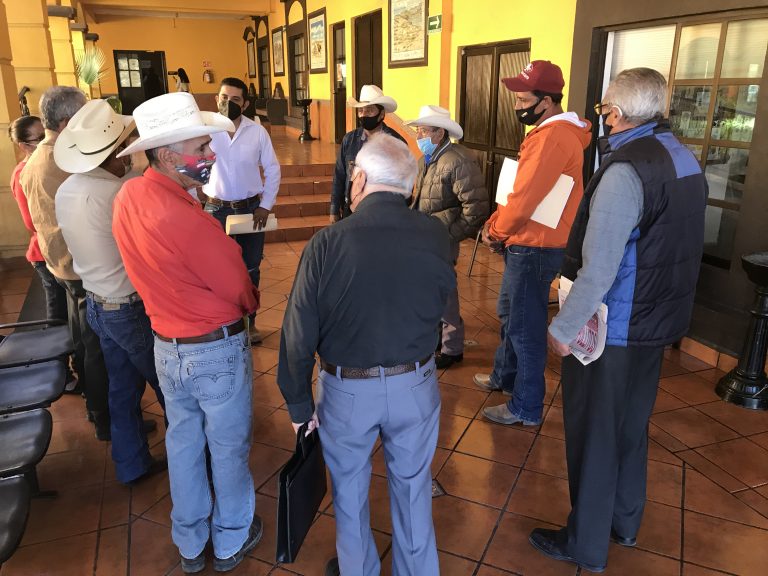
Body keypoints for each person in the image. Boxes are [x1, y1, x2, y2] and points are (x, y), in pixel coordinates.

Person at [529, 67, 707, 573]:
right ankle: (625, 522)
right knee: (630, 427)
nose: (601, 117)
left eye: (604, 108)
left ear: (619, 115)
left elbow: (601, 266)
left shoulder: (626, 170)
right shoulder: (683, 156)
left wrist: (563, 329)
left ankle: (584, 543)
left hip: (616, 329)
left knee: (594, 434)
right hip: (657, 324)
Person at [278, 133, 456, 576]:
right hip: (416, 384)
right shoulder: (438, 235)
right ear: (410, 187)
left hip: (347, 392)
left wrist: (299, 404)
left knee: (350, 492)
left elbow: (298, 332)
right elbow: (442, 304)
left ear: (358, 178)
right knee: (413, 490)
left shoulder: (327, 243)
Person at [112, 92, 261, 574]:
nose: (213, 154)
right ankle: (232, 535)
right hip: (212, 348)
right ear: (168, 155)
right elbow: (238, 283)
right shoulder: (184, 217)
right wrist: (245, 307)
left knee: (183, 442)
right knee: (228, 446)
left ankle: (191, 540)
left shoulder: (129, 196)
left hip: (166, 345)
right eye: (202, 147)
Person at [53, 99, 167, 485]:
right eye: (127, 147)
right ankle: (197, 459)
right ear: (112, 153)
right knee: (169, 388)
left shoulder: (68, 189)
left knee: (121, 387)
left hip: (98, 304)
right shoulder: (117, 193)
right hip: (129, 307)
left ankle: (130, 460)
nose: (132, 153)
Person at [475, 61, 592, 427]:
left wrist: (496, 230)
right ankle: (504, 376)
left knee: (525, 327)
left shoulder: (552, 138)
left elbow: (525, 197)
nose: (517, 106)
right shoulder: (555, 133)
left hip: (535, 246)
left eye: (523, 99)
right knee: (512, 314)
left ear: (547, 100)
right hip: (532, 242)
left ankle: (525, 406)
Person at [20, 86, 112, 438]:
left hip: (60, 264)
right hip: (78, 267)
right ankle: (104, 418)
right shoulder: (60, 158)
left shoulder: (37, 157)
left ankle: (94, 406)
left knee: (83, 338)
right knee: (96, 346)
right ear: (67, 121)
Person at [406, 105, 489, 369]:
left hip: (442, 237)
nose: (419, 135)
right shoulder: (426, 160)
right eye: (418, 130)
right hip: (424, 236)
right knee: (428, 290)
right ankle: (435, 339)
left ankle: (452, 347)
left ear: (439, 133)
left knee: (445, 291)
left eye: (423, 130)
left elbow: (476, 208)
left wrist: (449, 234)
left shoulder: (458, 160)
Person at [202, 77, 281, 344]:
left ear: (245, 103)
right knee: (215, 268)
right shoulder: (205, 130)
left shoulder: (257, 132)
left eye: (235, 99)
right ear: (217, 99)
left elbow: (272, 169)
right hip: (215, 210)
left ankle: (251, 324)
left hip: (250, 211)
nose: (228, 103)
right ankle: (224, 322)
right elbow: (191, 167)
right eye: (224, 98)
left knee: (250, 269)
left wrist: (265, 206)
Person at [8, 116, 69, 332]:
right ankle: (56, 361)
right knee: (57, 314)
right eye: (39, 137)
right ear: (24, 145)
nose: (46, 141)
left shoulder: (49, 161)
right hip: (44, 252)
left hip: (55, 248)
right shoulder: (23, 172)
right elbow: (32, 222)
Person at [329, 85, 406, 222]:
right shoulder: (349, 140)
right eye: (361, 111)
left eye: (369, 111)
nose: (364, 115)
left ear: (381, 114)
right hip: (351, 212)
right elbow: (340, 175)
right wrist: (334, 209)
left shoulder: (397, 143)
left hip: (383, 214)